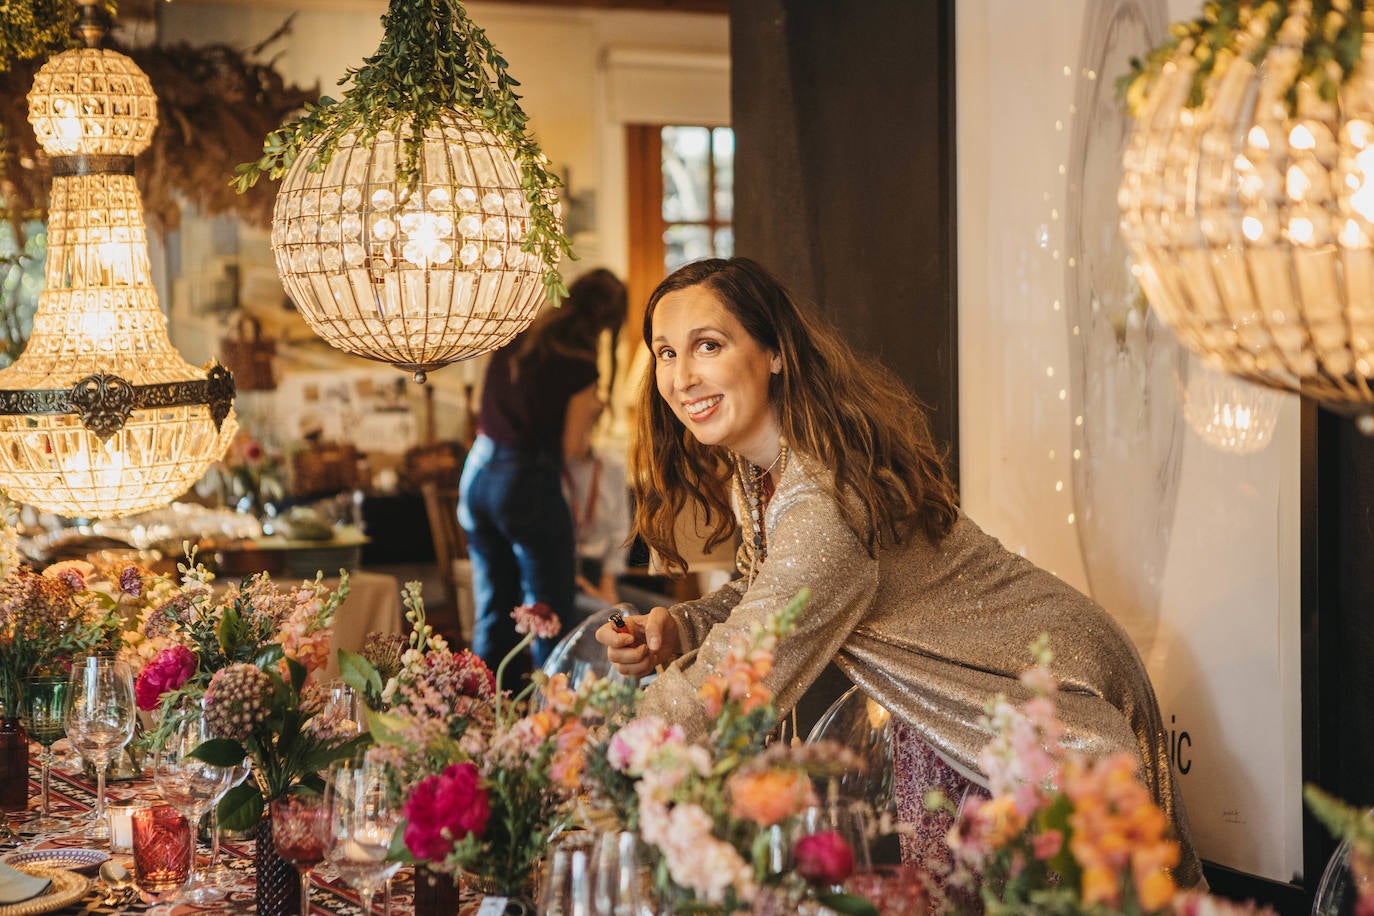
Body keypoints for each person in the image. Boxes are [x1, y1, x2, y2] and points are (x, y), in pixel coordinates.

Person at [595, 257, 1203, 887]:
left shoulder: (823, 498)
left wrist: (605, 752)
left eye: (708, 346)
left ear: (776, 352)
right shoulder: (767, 468)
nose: (681, 377)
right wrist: (685, 627)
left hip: (1049, 702)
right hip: (951, 713)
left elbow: (742, 669)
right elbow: (763, 588)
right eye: (665, 353)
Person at [460, 267, 627, 674]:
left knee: (493, 611)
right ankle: (549, 722)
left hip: (478, 474)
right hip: (527, 485)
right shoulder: (579, 364)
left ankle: (482, 713)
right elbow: (571, 448)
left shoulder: (520, 336)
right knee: (549, 614)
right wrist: (592, 410)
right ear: (608, 322)